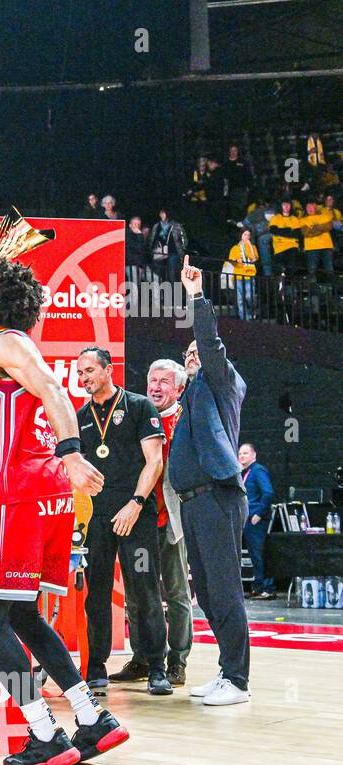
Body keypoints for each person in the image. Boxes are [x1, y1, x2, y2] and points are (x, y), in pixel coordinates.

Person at [0, 259, 127, 765]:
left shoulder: (7, 345)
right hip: (43, 497)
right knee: (23, 614)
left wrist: (73, 452)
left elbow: (53, 389)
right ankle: (91, 717)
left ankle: (44, 732)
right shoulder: (1, 349)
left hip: (17, 496)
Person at [171, 257, 252, 705]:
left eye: (196, 353)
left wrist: (196, 296)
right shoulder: (191, 397)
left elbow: (210, 342)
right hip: (193, 503)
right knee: (204, 589)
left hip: (218, 497)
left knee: (224, 587)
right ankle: (226, 670)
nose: (192, 356)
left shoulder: (222, 384)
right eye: (187, 355)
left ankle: (238, 680)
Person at [74, 347, 169, 695]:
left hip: (135, 514)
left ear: (108, 370)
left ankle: (157, 666)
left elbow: (154, 461)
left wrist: (136, 503)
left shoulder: (139, 406)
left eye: (89, 371)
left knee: (144, 590)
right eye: (80, 373)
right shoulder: (81, 415)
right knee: (95, 593)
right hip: (97, 518)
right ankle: (96, 666)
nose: (84, 378)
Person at [112, 359, 193, 686]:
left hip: (171, 520)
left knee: (175, 594)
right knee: (136, 594)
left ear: (179, 388)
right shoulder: (135, 414)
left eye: (164, 381)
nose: (156, 386)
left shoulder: (186, 420)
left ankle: (177, 660)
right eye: (152, 379)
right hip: (138, 519)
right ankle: (143, 658)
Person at [239, 443, 275, 600]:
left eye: (245, 453)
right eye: (240, 453)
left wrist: (258, 514)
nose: (242, 456)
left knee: (259, 553)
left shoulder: (258, 470)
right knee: (254, 555)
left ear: (254, 454)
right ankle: (258, 586)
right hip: (246, 519)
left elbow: (267, 492)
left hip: (255, 520)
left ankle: (266, 587)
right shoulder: (244, 473)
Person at [227, 228, 259, 321]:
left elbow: (254, 259)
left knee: (249, 296)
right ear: (241, 235)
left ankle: (252, 312)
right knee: (240, 299)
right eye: (245, 235)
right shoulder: (235, 248)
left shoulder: (252, 247)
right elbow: (231, 261)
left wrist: (249, 247)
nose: (247, 237)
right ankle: (245, 319)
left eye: (248, 235)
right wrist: (236, 261)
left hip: (250, 274)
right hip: (238, 275)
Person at [149, 209, 186, 285]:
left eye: (164, 213)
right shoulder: (157, 226)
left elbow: (183, 238)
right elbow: (153, 238)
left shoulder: (175, 225)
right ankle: (160, 291)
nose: (162, 215)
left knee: (172, 274)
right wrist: (152, 249)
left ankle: (173, 293)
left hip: (173, 251)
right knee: (157, 273)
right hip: (160, 251)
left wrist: (181, 248)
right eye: (161, 213)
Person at [300, 198, 335, 277]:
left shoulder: (324, 216)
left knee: (330, 271)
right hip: (311, 248)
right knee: (312, 272)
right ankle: (313, 289)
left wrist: (313, 228)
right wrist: (321, 228)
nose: (310, 209)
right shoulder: (303, 219)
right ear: (305, 209)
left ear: (315, 207)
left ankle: (333, 289)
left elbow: (329, 226)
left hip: (326, 246)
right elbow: (305, 232)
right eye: (308, 207)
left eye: (311, 207)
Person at [267, 200, 303, 275]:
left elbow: (297, 234)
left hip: (292, 247)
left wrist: (282, 231)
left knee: (291, 271)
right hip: (279, 249)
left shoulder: (294, 219)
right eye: (284, 204)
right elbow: (274, 230)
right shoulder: (275, 218)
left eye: (288, 204)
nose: (286, 206)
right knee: (279, 273)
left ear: (291, 206)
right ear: (281, 206)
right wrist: (289, 230)